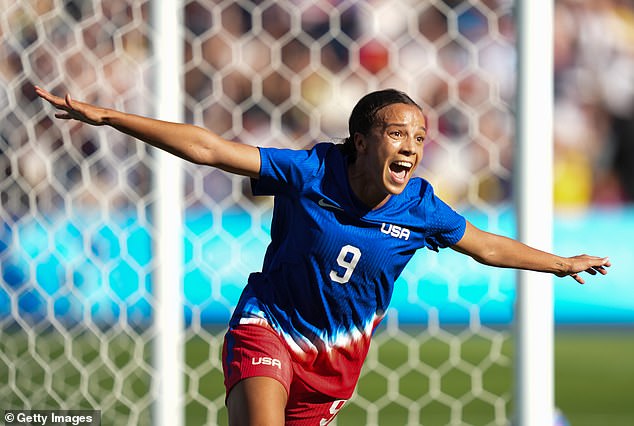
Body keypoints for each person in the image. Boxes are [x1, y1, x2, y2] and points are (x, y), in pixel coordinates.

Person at [35, 86, 611, 426]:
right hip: (270, 326)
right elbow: (210, 148)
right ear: (362, 140)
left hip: (333, 366)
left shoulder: (420, 207)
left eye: (419, 137)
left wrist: (560, 264)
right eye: (397, 134)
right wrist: (111, 118)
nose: (411, 146)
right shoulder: (310, 172)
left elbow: (485, 245)